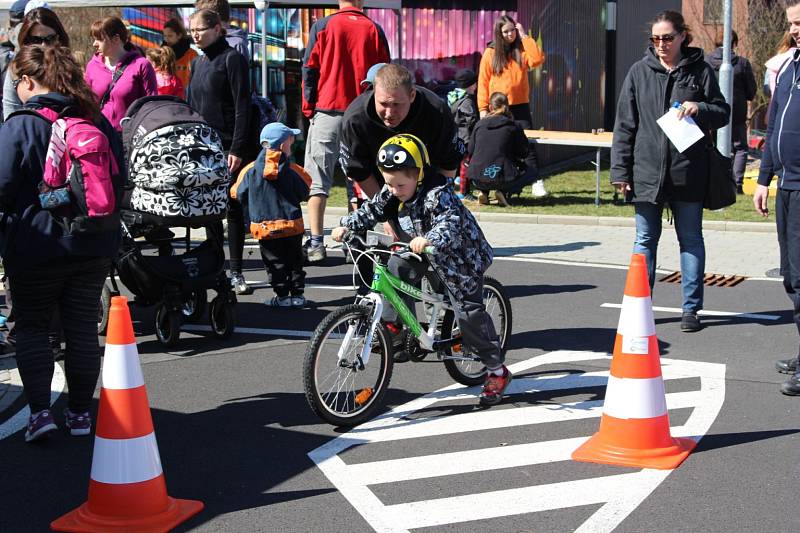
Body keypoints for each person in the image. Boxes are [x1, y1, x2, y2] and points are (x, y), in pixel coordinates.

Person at [331, 133, 510, 405]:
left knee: (468, 312)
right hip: (422, 251)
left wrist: (430, 238)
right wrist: (347, 224)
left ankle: (496, 369)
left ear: (420, 175)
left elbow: (449, 221)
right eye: (389, 183)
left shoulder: (437, 193)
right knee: (395, 266)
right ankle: (394, 325)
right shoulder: (392, 190)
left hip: (458, 257)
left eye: (401, 184)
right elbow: (371, 210)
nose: (394, 190)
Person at [0, 44, 120, 442]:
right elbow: (119, 180)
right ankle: (82, 415)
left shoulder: (21, 125)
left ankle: (39, 415)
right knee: (82, 328)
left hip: (37, 245)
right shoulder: (95, 120)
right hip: (94, 244)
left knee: (33, 328)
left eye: (17, 81)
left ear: (29, 81)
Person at [611, 10, 729, 333]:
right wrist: (621, 172)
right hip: (647, 171)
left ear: (682, 37)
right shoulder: (639, 72)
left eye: (667, 38)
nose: (661, 44)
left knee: (690, 239)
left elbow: (722, 112)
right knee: (644, 240)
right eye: (655, 39)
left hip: (687, 171)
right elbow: (624, 126)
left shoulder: (700, 71)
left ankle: (691, 309)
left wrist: (700, 108)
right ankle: (640, 306)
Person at [301, 0, 390, 262]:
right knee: (361, 178)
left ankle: (316, 242)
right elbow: (385, 74)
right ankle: (360, 239)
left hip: (328, 109)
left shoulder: (323, 25)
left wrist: (309, 109)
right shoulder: (374, 28)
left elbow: (309, 69)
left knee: (317, 179)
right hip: (362, 112)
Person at [187, 9, 252, 294]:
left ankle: (237, 271)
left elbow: (243, 107)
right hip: (203, 145)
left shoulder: (232, 59)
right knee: (208, 209)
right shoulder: (197, 63)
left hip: (229, 145)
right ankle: (216, 267)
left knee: (232, 208)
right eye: (192, 32)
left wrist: (237, 147)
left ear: (216, 28)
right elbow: (192, 106)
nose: (195, 35)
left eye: (199, 30)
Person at [754, 0, 800, 396]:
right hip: (785, 186)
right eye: (792, 24)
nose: (795, 30)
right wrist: (764, 177)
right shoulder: (789, 65)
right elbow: (774, 125)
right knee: (791, 275)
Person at [339, 63, 464, 200]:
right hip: (378, 180)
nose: (389, 113)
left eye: (397, 104)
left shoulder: (436, 112)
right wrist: (385, 212)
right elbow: (359, 171)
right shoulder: (356, 119)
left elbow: (448, 162)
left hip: (427, 180)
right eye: (383, 104)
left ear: (412, 95)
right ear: (374, 93)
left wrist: (441, 203)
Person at [232, 123, 310, 308]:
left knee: (274, 263)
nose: (291, 147)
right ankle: (297, 295)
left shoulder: (250, 169)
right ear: (283, 145)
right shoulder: (293, 169)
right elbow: (305, 191)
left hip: (264, 227)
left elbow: (237, 193)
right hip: (291, 224)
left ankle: (282, 296)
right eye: (290, 143)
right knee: (295, 262)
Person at [477, 15, 546, 198]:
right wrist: (483, 109)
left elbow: (537, 60)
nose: (510, 34)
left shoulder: (521, 49)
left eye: (512, 30)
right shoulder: (491, 53)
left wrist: (525, 36)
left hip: (520, 105)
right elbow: (483, 82)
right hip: (497, 107)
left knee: (528, 143)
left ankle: (536, 180)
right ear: (499, 34)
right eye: (506, 31)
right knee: (499, 144)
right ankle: (499, 183)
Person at [85, 16, 158, 131]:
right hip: (101, 135)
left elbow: (151, 105)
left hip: (131, 135)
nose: (94, 44)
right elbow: (87, 103)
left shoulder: (142, 65)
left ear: (116, 39)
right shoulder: (92, 66)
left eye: (99, 39)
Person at [706, 30, 756, 194]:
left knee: (709, 147)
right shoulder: (741, 63)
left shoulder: (705, 62)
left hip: (710, 112)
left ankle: (712, 182)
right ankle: (736, 184)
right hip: (736, 114)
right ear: (734, 43)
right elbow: (751, 92)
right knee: (740, 148)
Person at [3, 6, 69, 120]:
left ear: (60, 38)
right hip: (27, 132)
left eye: (50, 39)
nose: (43, 46)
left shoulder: (69, 67)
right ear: (25, 41)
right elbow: (10, 110)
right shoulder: (16, 68)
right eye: (36, 40)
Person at [468, 92, 532, 207]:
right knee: (531, 171)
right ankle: (503, 192)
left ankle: (483, 192)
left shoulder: (479, 124)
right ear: (507, 106)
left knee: (487, 163)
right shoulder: (513, 125)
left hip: (477, 178)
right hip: (502, 178)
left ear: (490, 107)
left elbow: (470, 149)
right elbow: (523, 152)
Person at [448, 68, 479, 201]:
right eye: (474, 83)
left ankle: (457, 183)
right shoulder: (467, 101)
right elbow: (471, 120)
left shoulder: (455, 96)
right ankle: (464, 191)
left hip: (456, 135)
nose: (476, 85)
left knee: (459, 162)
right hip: (466, 137)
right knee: (466, 163)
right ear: (470, 85)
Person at [162, 17, 198, 95]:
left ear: (179, 35)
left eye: (170, 36)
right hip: (165, 98)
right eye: (165, 36)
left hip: (186, 98)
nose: (166, 39)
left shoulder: (192, 54)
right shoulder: (161, 54)